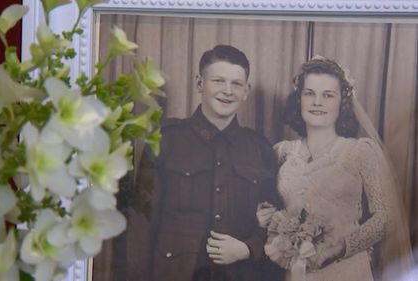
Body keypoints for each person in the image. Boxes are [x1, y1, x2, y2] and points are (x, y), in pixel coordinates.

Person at [125, 45, 284, 281]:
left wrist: (249, 248)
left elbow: (275, 224)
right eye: (218, 81)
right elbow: (141, 226)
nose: (227, 91)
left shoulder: (260, 149)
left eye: (236, 84)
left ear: (246, 90)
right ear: (200, 83)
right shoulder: (165, 140)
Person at [267, 56, 415, 281]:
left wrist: (339, 249)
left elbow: (384, 217)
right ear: (299, 100)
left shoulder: (360, 151)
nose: (317, 102)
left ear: (342, 102)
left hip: (347, 270)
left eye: (328, 95)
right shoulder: (281, 152)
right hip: (295, 272)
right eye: (310, 93)